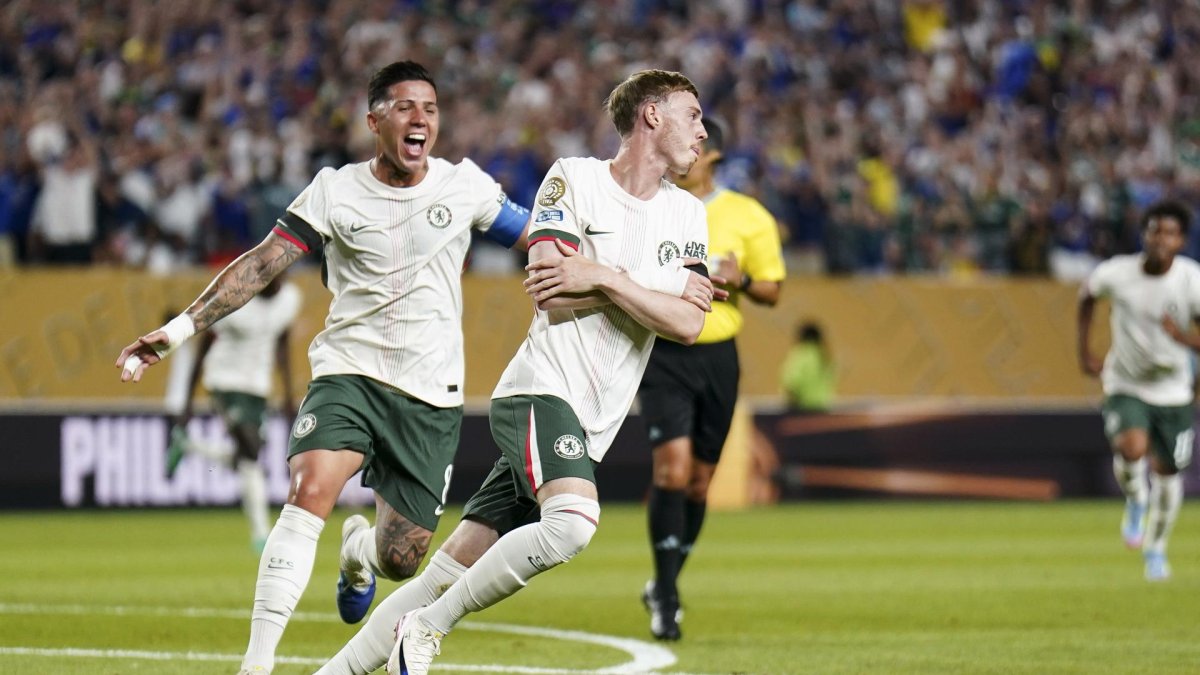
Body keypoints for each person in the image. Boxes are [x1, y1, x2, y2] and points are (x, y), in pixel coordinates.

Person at [114, 60, 531, 675]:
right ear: (373, 121)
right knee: (308, 491)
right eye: (405, 107)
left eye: (431, 109)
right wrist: (176, 333)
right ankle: (256, 665)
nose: (421, 119)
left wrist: (619, 274)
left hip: (430, 392)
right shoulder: (335, 190)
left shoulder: (463, 186)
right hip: (349, 372)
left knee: (402, 559)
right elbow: (261, 265)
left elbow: (538, 240)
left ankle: (357, 550)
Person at [309, 69, 719, 675]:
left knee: (448, 569)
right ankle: (427, 629)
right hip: (539, 390)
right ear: (651, 115)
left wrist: (603, 275)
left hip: (594, 422)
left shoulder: (689, 215)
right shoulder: (574, 179)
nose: (702, 132)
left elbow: (688, 326)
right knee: (575, 524)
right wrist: (654, 294)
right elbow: (551, 290)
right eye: (693, 114)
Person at [636, 115, 785, 641]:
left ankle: (666, 583)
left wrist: (740, 279)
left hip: (719, 355)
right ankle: (668, 594)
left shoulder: (748, 216)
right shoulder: (652, 207)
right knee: (671, 472)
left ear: (713, 158)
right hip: (664, 351)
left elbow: (772, 289)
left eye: (692, 149)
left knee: (699, 482)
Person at [1077, 200, 1199, 582]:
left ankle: (1156, 549)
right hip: (1126, 383)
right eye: (1154, 230)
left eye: (1169, 232)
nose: (1160, 239)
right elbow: (1087, 296)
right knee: (1130, 448)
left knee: (1168, 474)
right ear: (1144, 234)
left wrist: (1183, 338)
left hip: (1174, 391)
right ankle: (1134, 499)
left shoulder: (1192, 281)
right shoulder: (1117, 273)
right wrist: (1084, 351)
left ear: (1180, 240)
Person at [165, 274, 302, 553]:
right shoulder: (235, 302)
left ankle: (190, 446)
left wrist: (288, 393)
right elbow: (203, 350)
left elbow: (282, 343)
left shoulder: (289, 300)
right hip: (225, 380)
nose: (277, 284)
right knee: (251, 450)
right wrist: (187, 404)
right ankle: (261, 535)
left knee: (245, 458)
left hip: (258, 388)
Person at [780, 320, 835, 413]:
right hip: (822, 410)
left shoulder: (801, 354)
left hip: (801, 410)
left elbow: (791, 382)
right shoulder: (825, 357)